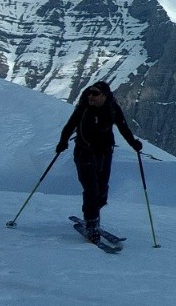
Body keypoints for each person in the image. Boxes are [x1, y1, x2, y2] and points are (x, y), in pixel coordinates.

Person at [56, 81, 142, 241]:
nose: (91, 96)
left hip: (104, 153)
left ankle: (92, 215)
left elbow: (123, 128)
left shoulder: (112, 108)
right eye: (89, 93)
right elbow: (69, 126)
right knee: (91, 188)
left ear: (104, 95)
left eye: (95, 93)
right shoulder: (83, 109)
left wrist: (133, 143)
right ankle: (92, 223)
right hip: (84, 152)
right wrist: (62, 142)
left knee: (102, 191)